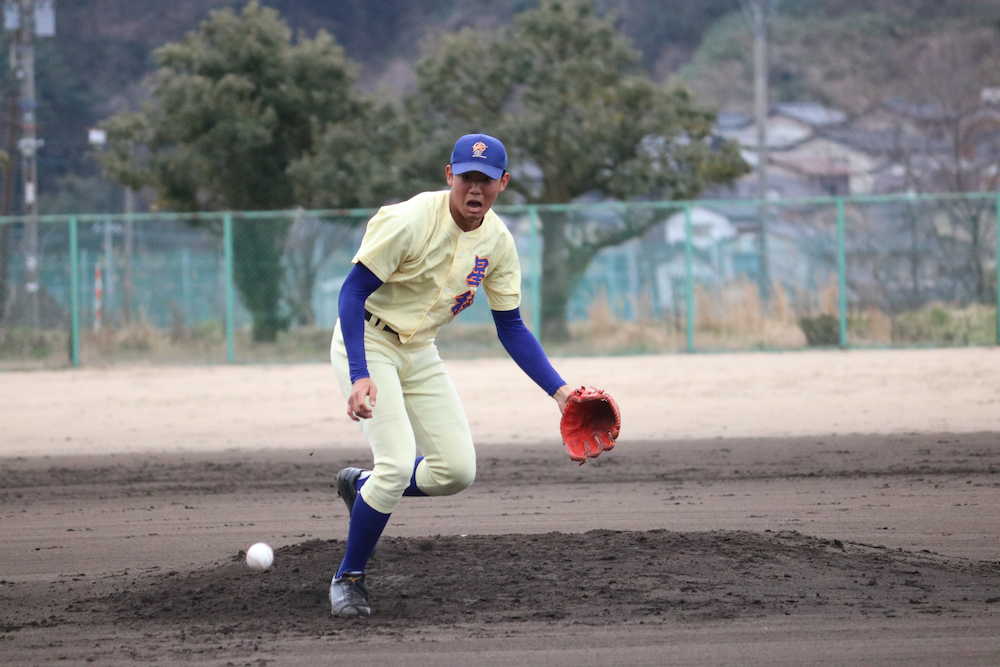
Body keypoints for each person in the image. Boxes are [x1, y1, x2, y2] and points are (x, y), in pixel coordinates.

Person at [328, 132, 572, 617]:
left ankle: (362, 487)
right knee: (396, 465)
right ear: (449, 176)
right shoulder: (410, 220)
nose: (474, 188)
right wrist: (359, 374)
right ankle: (348, 577)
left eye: (485, 179)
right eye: (466, 177)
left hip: (419, 350)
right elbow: (352, 293)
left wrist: (560, 392)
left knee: (456, 471)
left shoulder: (499, 241)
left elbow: (512, 326)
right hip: (369, 339)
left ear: (503, 183)